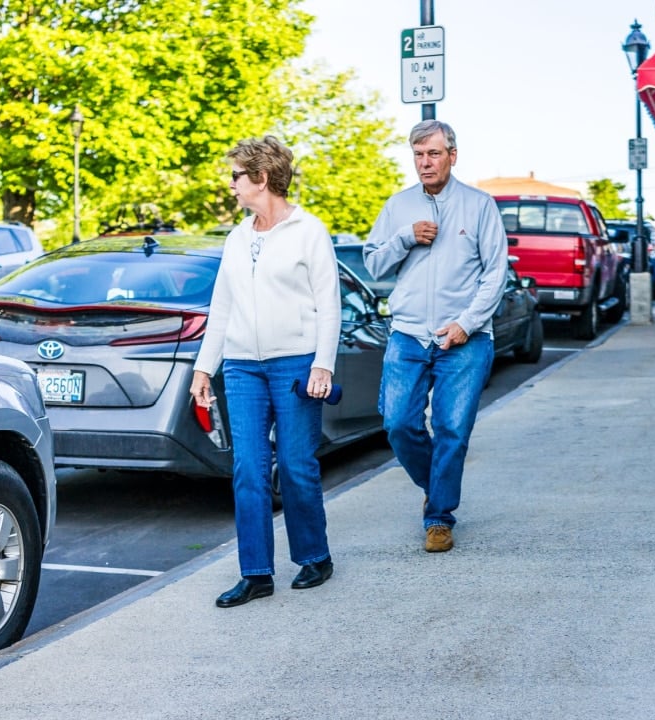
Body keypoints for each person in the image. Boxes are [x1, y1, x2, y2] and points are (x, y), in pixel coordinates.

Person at [190, 136, 340, 608]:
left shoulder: (308, 231)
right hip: (241, 367)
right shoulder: (237, 237)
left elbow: (329, 305)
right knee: (248, 470)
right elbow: (222, 305)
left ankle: (314, 556)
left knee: (296, 467)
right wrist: (203, 369)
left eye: (236, 175)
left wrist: (323, 364)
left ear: (261, 177)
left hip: (295, 362)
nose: (231, 184)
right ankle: (255, 573)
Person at [363, 120, 508, 553]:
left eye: (434, 154)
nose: (425, 162)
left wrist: (467, 322)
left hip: (464, 337)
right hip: (407, 333)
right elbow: (373, 264)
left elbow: (496, 273)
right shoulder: (398, 206)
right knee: (397, 422)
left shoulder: (480, 206)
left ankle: (439, 517)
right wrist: (406, 238)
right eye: (418, 155)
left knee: (451, 428)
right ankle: (437, 485)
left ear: (452, 155)